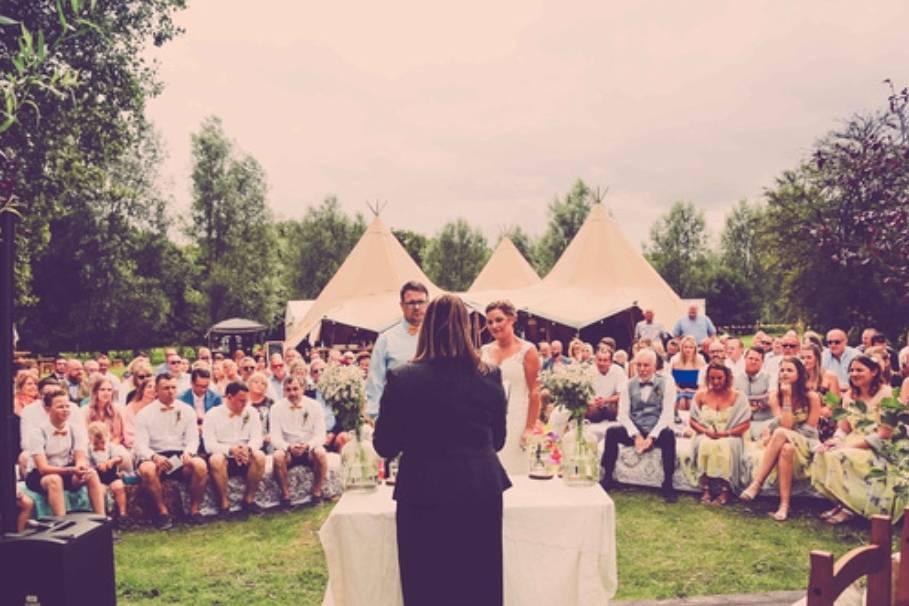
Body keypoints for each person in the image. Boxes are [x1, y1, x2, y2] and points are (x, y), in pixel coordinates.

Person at [374, 294, 510, 606]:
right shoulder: (489, 376)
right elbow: (498, 440)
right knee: (480, 579)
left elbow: (385, 445)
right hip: (479, 485)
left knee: (426, 581)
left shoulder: (403, 378)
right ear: (467, 327)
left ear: (427, 328)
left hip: (423, 487)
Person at [811, 355, 893, 524]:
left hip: (878, 445)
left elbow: (884, 433)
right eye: (852, 370)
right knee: (823, 453)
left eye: (859, 370)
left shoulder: (886, 394)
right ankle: (841, 502)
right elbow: (844, 427)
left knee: (842, 456)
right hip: (853, 439)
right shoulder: (850, 394)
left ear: (874, 371)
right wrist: (835, 440)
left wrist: (849, 446)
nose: (854, 374)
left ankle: (851, 508)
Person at [741, 356, 820, 522]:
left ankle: (757, 483)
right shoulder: (775, 396)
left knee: (780, 433)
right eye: (782, 370)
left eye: (789, 370)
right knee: (786, 449)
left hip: (806, 442)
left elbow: (807, 430)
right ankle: (784, 505)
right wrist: (786, 397)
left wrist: (788, 398)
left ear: (800, 374)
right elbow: (784, 423)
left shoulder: (812, 397)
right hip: (785, 443)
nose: (784, 373)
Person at [601, 349, 679, 502]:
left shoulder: (667, 383)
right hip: (635, 428)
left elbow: (667, 415)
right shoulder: (627, 385)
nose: (642, 369)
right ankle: (607, 476)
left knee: (669, 436)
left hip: (656, 428)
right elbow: (622, 415)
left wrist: (651, 437)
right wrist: (636, 435)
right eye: (639, 365)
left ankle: (668, 482)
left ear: (655, 366)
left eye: (646, 366)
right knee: (611, 432)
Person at [134, 373, 209, 529]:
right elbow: (140, 445)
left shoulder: (187, 410)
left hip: (179, 456)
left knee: (200, 465)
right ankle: (163, 512)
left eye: (173, 387)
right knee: (147, 469)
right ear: (156, 390)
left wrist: (188, 453)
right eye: (166, 388)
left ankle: (194, 510)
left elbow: (193, 439)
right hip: (155, 455)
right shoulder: (144, 414)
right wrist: (154, 457)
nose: (170, 391)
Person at [480, 299, 541, 476]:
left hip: (516, 418)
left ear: (512, 319)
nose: (494, 325)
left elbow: (534, 391)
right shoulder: (484, 350)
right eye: (489, 322)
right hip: (488, 419)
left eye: (499, 320)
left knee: (514, 468)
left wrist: (529, 427)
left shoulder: (527, 350)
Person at [24, 389, 105, 516]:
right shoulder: (37, 432)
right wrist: (72, 470)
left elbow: (80, 457)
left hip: (67, 469)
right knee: (54, 480)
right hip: (39, 475)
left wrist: (81, 468)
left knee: (91, 474)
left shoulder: (75, 429)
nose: (65, 409)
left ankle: (102, 520)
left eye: (67, 406)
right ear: (48, 408)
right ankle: (62, 525)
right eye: (60, 407)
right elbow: (43, 468)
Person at [682, 363, 750, 505]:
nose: (715, 382)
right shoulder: (701, 395)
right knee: (705, 444)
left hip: (731, 435)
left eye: (719, 378)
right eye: (712, 378)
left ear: (727, 378)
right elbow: (693, 421)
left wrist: (726, 433)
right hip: (706, 433)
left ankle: (726, 490)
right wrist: (705, 431)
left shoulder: (738, 396)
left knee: (723, 445)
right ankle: (706, 489)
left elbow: (745, 424)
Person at [365, 281, 428, 419]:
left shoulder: (437, 337)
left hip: (431, 414)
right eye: (411, 303)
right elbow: (375, 383)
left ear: (428, 304)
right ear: (402, 306)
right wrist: (376, 418)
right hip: (397, 415)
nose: (417, 307)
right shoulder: (386, 339)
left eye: (421, 302)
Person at [203, 381, 266, 516]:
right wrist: (230, 450)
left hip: (245, 454)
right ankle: (224, 504)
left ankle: (249, 500)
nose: (244, 405)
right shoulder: (212, 415)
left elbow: (257, 438)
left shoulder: (252, 412)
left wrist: (248, 449)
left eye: (246, 401)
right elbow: (209, 445)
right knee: (216, 459)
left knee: (260, 456)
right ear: (229, 397)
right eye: (241, 401)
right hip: (224, 455)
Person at [270, 376, 328, 508]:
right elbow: (275, 437)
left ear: (302, 389)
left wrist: (308, 445)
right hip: (288, 451)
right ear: (284, 391)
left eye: (296, 389)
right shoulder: (276, 408)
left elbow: (321, 435)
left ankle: (316, 493)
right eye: (288, 390)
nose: (292, 393)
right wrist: (288, 447)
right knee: (278, 456)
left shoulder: (315, 406)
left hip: (309, 450)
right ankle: (286, 496)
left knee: (321, 452)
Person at [86, 421, 131, 526]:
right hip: (98, 479)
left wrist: (112, 461)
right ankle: (103, 516)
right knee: (100, 491)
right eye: (96, 443)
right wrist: (96, 466)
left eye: (102, 442)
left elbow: (121, 457)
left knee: (119, 487)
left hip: (112, 477)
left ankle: (123, 514)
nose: (100, 445)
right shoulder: (88, 450)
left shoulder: (111, 447)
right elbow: (86, 463)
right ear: (90, 439)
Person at [800, 343, 841, 442]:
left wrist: (821, 410)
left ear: (816, 359)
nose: (805, 361)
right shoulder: (799, 378)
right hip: (803, 414)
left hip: (824, 415)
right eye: (802, 357)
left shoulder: (830, 376)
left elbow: (834, 403)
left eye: (809, 357)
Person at [586, 348, 627, 441]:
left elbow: (622, 394)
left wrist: (606, 400)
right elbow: (584, 394)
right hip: (594, 406)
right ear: (595, 360)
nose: (602, 363)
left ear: (611, 362)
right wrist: (593, 402)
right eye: (599, 360)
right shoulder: (589, 371)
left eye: (605, 360)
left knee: (617, 405)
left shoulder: (618, 371)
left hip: (610, 405)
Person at [734, 347, 772, 440]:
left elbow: (771, 400)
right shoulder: (735, 378)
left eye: (757, 360)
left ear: (762, 362)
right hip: (741, 422)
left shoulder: (769, 378)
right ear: (745, 359)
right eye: (750, 358)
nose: (753, 362)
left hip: (764, 421)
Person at [82, 377, 127, 446]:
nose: (106, 393)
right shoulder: (85, 411)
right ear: (95, 392)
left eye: (109, 390)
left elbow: (119, 436)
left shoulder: (118, 409)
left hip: (114, 446)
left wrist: (110, 447)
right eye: (102, 389)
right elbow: (84, 435)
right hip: (91, 446)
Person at [670, 335, 703, 413]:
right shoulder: (675, 360)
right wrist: (679, 389)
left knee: (691, 402)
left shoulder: (701, 360)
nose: (688, 350)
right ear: (682, 348)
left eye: (691, 347)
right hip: (679, 390)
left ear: (695, 349)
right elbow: (671, 380)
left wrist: (692, 391)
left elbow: (703, 382)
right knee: (682, 402)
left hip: (695, 391)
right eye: (686, 347)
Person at [122, 378, 156, 450]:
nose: (152, 389)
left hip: (153, 443)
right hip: (132, 442)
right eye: (149, 386)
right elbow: (125, 428)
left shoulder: (158, 407)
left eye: (155, 387)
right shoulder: (130, 407)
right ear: (142, 389)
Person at [246, 371, 275, 453]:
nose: (259, 385)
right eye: (256, 382)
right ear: (249, 384)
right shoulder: (243, 402)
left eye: (263, 383)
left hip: (266, 439)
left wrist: (268, 436)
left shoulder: (271, 403)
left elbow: (274, 424)